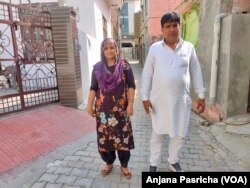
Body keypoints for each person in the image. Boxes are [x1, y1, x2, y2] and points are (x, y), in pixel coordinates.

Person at [141, 11, 205, 172]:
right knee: (158, 133)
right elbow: (147, 74)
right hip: (159, 100)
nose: (171, 29)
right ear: (162, 29)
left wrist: (201, 95)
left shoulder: (189, 48)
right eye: (167, 26)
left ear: (179, 26)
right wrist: (144, 97)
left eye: (174, 25)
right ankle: (153, 164)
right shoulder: (155, 49)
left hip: (181, 101)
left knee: (180, 133)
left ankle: (173, 161)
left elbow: (196, 72)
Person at [87, 38, 136, 178]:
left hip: (121, 111)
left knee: (123, 139)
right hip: (102, 112)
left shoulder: (124, 66)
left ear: (116, 49)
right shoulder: (97, 68)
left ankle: (124, 165)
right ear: (102, 50)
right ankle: (109, 162)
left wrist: (131, 104)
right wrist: (89, 105)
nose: (109, 50)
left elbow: (132, 85)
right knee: (105, 138)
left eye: (112, 47)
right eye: (106, 48)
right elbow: (93, 88)